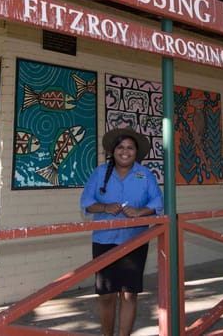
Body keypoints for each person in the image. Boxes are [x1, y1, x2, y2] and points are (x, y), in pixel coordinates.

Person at [80, 128, 163, 336]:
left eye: (130, 148)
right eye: (121, 147)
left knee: (129, 295)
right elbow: (86, 202)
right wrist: (104, 207)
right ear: (113, 151)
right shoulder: (100, 173)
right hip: (104, 241)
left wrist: (140, 212)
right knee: (106, 295)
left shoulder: (145, 174)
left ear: (136, 152)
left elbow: (158, 202)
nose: (125, 152)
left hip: (135, 241)